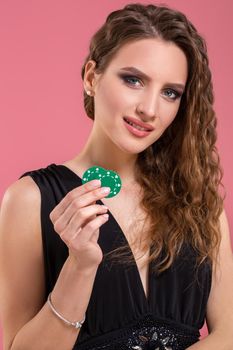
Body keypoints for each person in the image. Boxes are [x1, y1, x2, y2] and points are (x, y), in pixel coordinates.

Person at [0, 2, 233, 350]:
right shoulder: (30, 199)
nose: (150, 109)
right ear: (92, 77)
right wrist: (79, 267)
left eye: (170, 93)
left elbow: (229, 334)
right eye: (134, 80)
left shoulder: (196, 198)